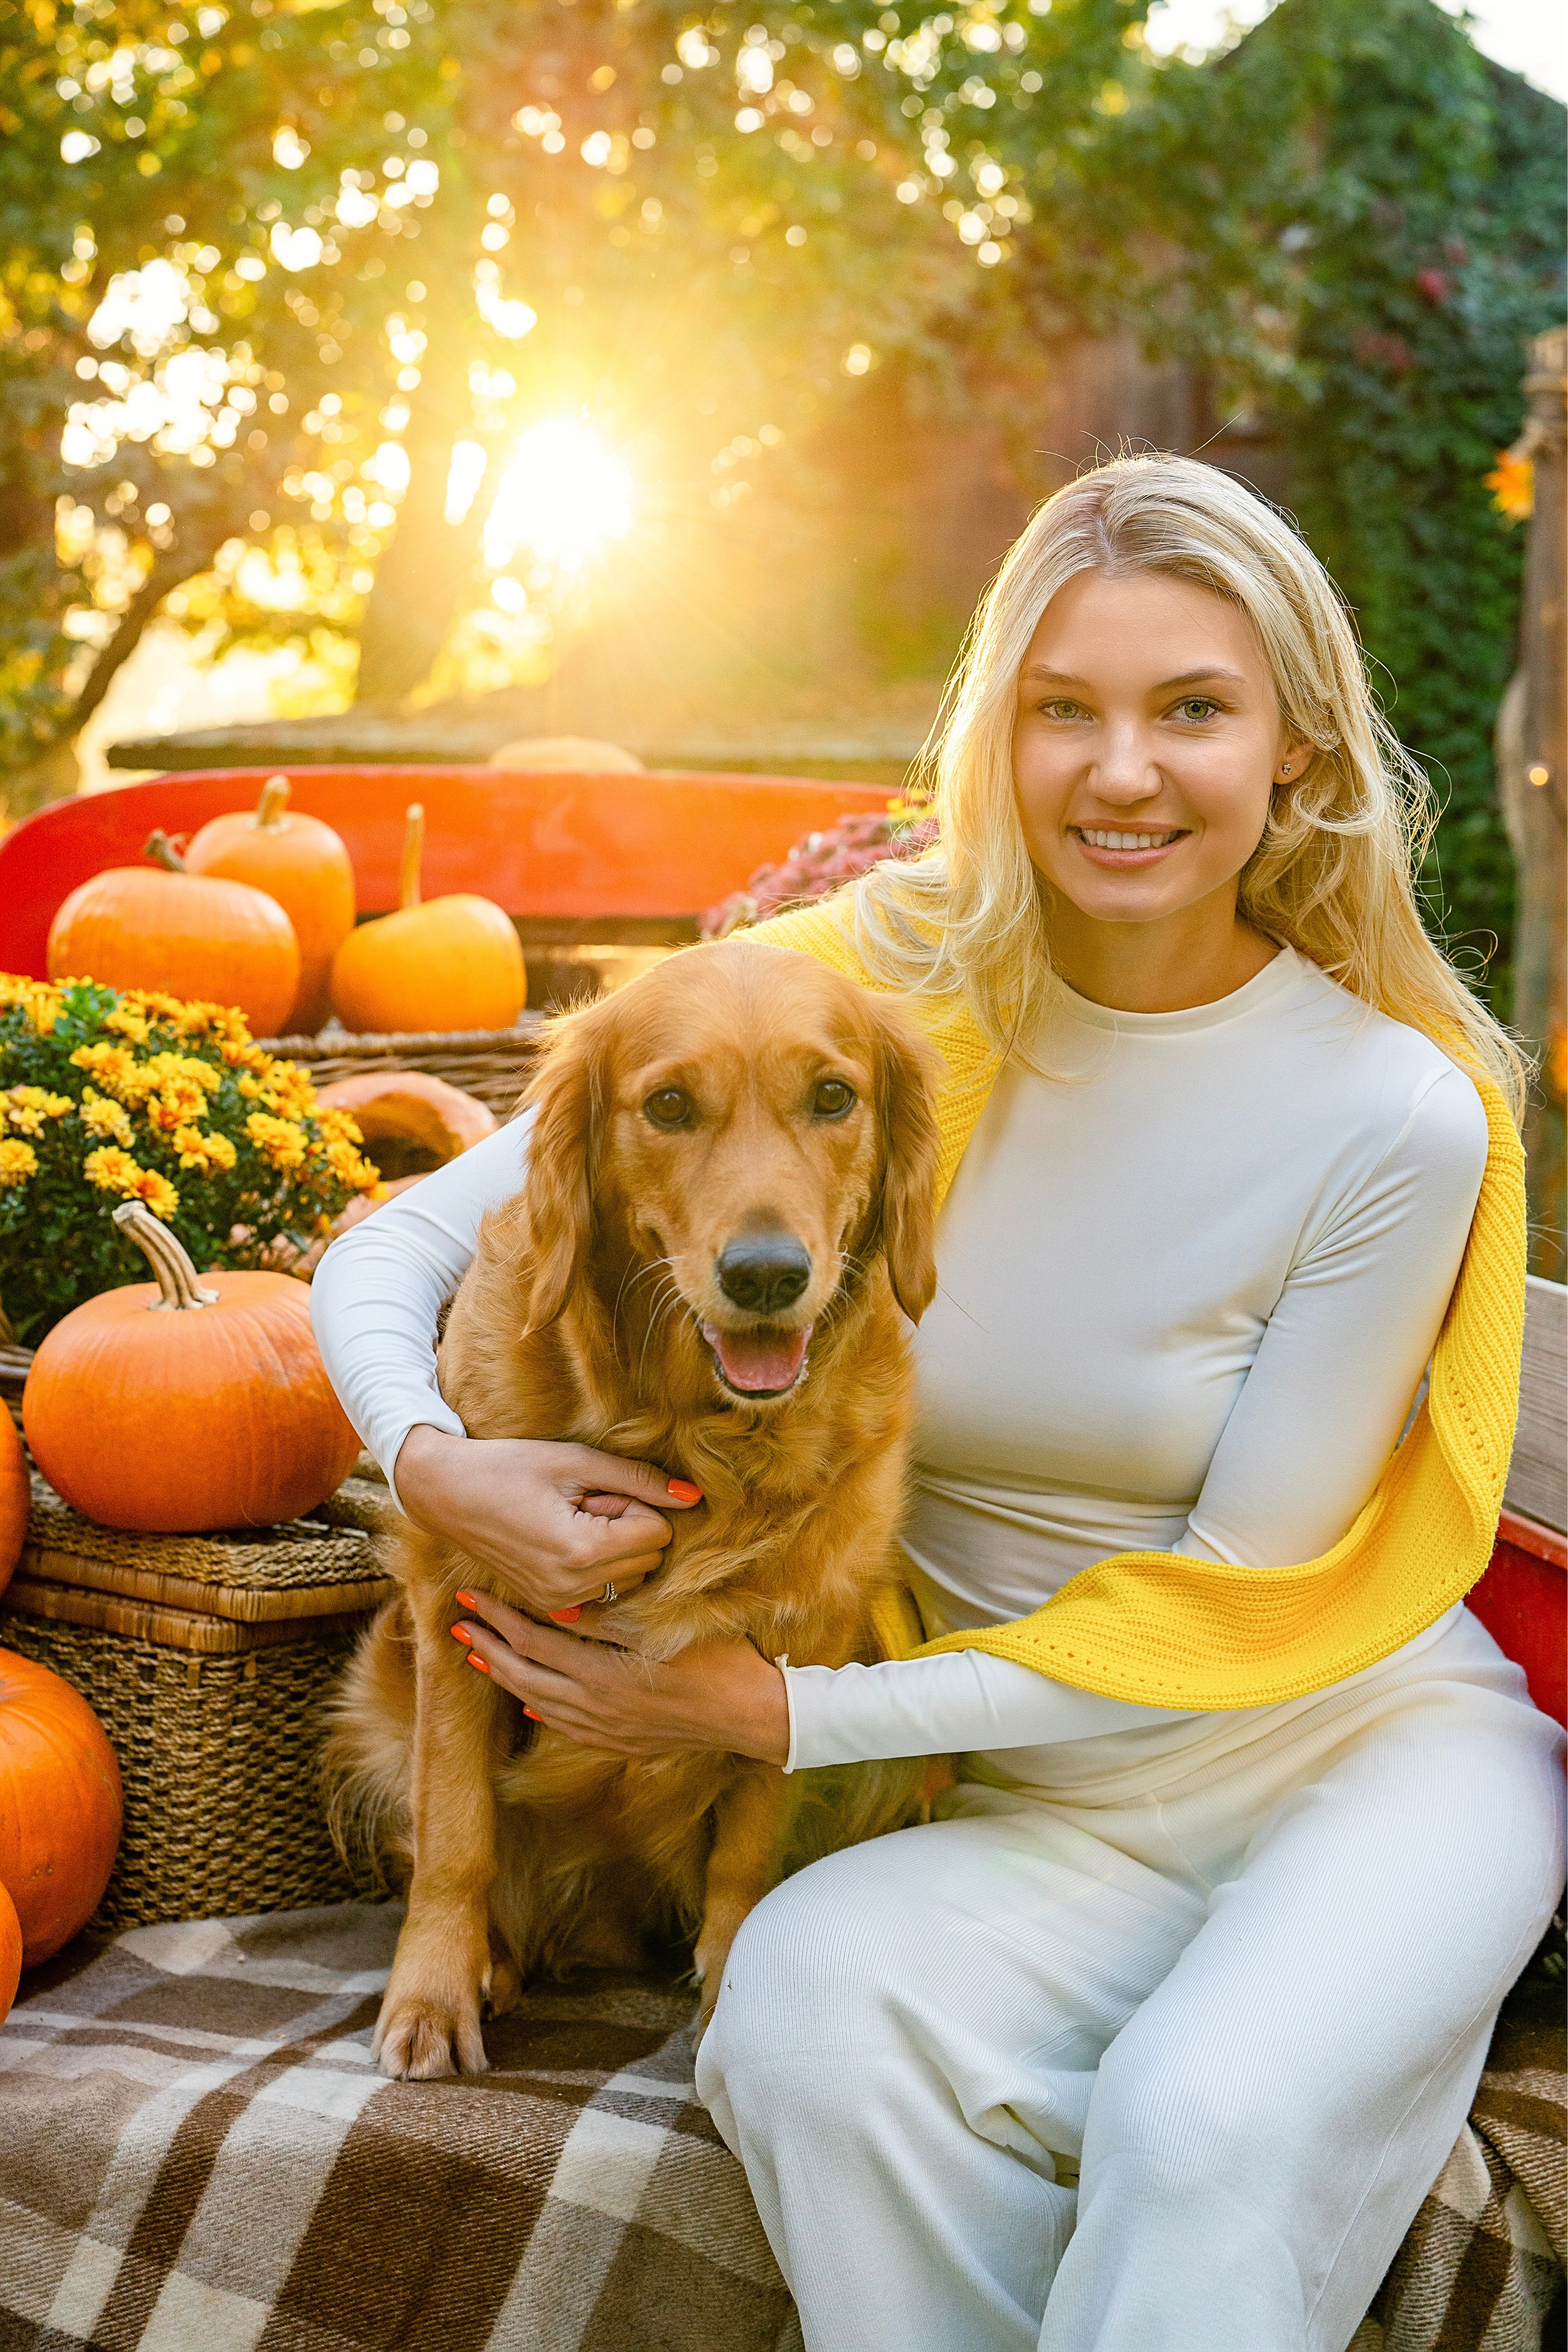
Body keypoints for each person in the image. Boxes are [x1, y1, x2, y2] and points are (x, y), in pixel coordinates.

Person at [311, 454, 1565, 2352]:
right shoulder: (874, 1001)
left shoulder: (1392, 1112)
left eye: (1192, 711)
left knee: (1199, 2120)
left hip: (1347, 1764)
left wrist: (784, 1709)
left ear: (1300, 747)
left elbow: (1226, 1604)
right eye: (1064, 710)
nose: (1120, 771)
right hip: (1019, 1804)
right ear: (998, 737)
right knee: (802, 2032)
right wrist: (437, 1462)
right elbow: (387, 1255)